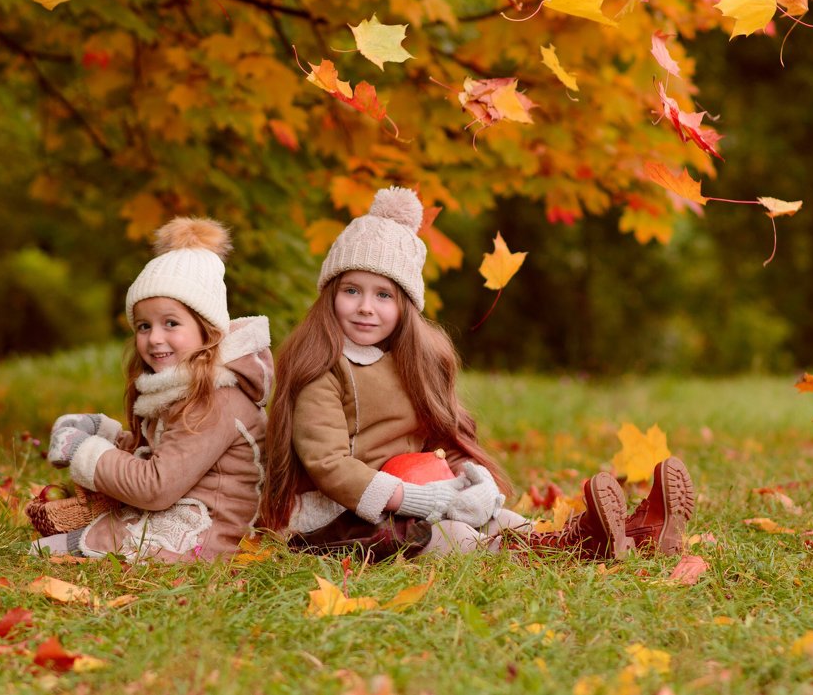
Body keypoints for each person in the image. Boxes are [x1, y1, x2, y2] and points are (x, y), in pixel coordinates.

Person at [258, 186, 694, 560]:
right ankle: (576, 548)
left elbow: (439, 443)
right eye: (351, 291)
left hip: (411, 494)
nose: (366, 307)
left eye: (383, 295)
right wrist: (416, 498)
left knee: (499, 518)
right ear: (330, 294)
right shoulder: (322, 369)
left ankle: (635, 535)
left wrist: (472, 481)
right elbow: (329, 465)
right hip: (339, 518)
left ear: (405, 305)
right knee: (458, 536)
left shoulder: (411, 362)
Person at [34, 217, 273, 561]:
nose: (154, 338)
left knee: (77, 544)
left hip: (215, 532)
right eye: (144, 326)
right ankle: (73, 544)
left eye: (171, 323)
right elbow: (171, 450)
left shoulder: (218, 399)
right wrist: (108, 434)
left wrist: (86, 452)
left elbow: (156, 485)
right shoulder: (185, 385)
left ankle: (70, 547)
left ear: (208, 330)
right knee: (88, 532)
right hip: (183, 508)